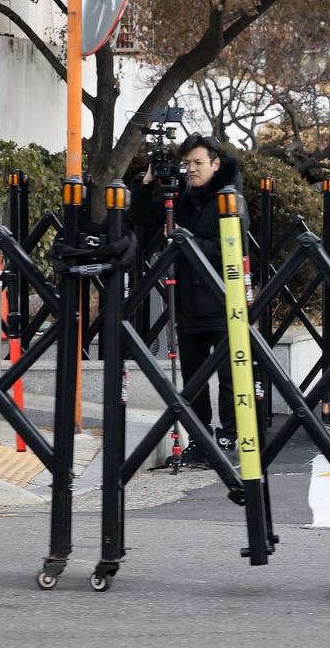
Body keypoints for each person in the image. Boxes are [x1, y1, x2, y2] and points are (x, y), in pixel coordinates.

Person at [131, 133, 248, 466]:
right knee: (194, 377)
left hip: (223, 301)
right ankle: (200, 437)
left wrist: (185, 238)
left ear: (215, 163)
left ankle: (229, 438)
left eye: (198, 163)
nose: (192, 169)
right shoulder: (181, 195)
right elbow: (139, 216)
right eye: (187, 163)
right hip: (187, 301)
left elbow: (232, 247)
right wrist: (148, 180)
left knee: (228, 376)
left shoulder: (230, 197)